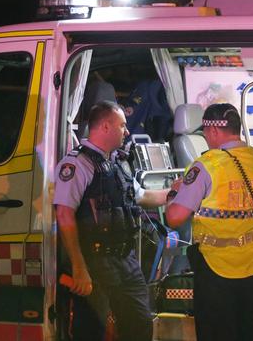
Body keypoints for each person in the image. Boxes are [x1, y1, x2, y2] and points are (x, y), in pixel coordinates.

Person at [165, 103, 253, 341]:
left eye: (205, 134)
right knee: (247, 330)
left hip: (218, 269)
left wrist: (175, 193)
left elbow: (175, 218)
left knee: (217, 333)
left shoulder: (207, 165)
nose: (207, 139)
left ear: (214, 131)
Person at [54, 101, 169, 341]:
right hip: (94, 262)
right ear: (105, 126)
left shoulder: (117, 164)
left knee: (140, 327)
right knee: (91, 331)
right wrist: (79, 267)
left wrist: (178, 193)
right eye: (122, 126)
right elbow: (64, 214)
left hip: (125, 261)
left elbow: (143, 196)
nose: (127, 132)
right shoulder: (77, 164)